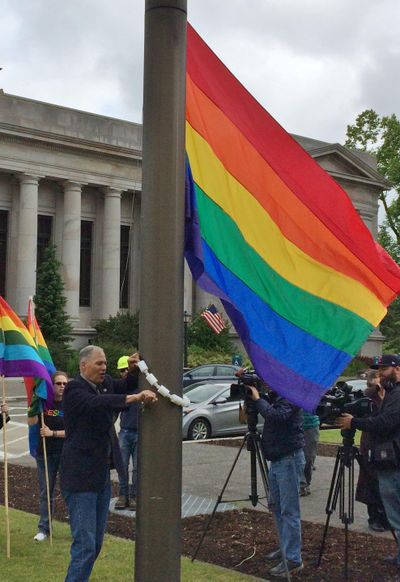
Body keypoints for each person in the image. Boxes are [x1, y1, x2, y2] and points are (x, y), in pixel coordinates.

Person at [60, 346, 157, 582]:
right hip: (79, 478)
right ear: (84, 366)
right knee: (85, 546)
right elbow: (98, 403)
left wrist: (134, 370)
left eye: (105, 363)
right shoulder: (74, 389)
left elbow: (123, 386)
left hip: (100, 477)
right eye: (98, 364)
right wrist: (136, 398)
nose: (104, 368)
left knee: (95, 544)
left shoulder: (106, 384)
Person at [337, 354, 400, 567]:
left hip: (394, 463)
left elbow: (386, 422)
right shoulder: (391, 393)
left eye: (384, 369)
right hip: (387, 460)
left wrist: (354, 422)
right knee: (394, 513)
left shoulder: (398, 394)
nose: (380, 373)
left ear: (397, 369)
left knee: (396, 513)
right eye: (379, 369)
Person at [248, 385, 305, 577]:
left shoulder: (292, 393)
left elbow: (277, 416)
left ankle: (293, 559)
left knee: (289, 511)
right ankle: (285, 548)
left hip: (288, 458)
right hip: (278, 459)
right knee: (277, 507)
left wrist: (258, 400)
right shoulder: (279, 394)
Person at [27, 371, 67, 541]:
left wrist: (53, 433)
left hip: (67, 453)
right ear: (51, 385)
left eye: (65, 383)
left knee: (70, 491)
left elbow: (74, 430)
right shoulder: (44, 403)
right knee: (46, 492)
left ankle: (79, 528)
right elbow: (32, 423)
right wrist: (34, 405)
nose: (62, 386)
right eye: (58, 383)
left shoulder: (71, 404)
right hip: (46, 454)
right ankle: (44, 528)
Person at [355, 370, 390, 532]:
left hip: (387, 445)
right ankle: (373, 517)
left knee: (386, 480)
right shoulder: (369, 396)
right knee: (370, 479)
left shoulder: (392, 396)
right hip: (370, 443)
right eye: (377, 378)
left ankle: (386, 517)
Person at [115, 355, 139, 510]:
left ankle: (135, 496)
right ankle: (123, 495)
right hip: (125, 431)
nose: (124, 372)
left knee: (137, 467)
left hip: (139, 431)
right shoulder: (121, 389)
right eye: (121, 370)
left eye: (126, 369)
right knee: (122, 465)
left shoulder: (138, 384)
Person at [300, 410, 320, 496]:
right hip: (293, 423)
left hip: (311, 425)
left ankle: (305, 483)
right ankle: (301, 484)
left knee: (309, 457)